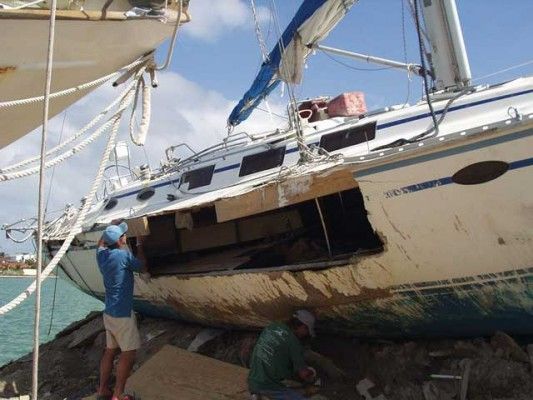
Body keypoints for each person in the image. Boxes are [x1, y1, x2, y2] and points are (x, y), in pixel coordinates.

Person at [95, 222, 148, 400]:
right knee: (128, 354)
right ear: (119, 241)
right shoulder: (123, 256)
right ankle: (118, 395)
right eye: (123, 235)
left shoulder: (101, 256)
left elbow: (100, 244)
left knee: (110, 351)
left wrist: (112, 231)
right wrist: (139, 244)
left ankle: (102, 389)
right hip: (122, 314)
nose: (126, 237)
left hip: (108, 312)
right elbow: (142, 266)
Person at [248, 310, 317, 400]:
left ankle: (258, 395)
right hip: (268, 386)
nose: (306, 334)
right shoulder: (294, 343)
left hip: (253, 382)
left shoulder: (272, 326)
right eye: (307, 331)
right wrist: (311, 372)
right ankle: (266, 394)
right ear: (303, 327)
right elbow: (303, 374)